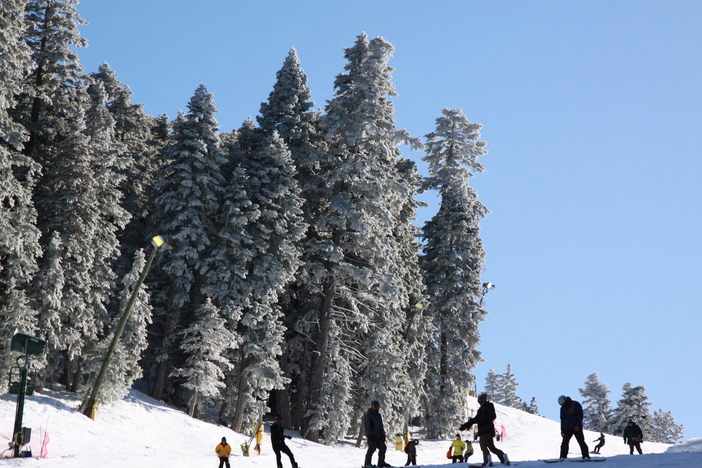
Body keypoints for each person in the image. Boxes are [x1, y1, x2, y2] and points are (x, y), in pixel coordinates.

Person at [460, 393, 510, 466]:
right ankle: (504, 458)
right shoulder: (480, 410)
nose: (479, 403)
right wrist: (466, 425)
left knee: (483, 446)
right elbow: (476, 419)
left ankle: (487, 461)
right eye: (479, 401)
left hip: (486, 431)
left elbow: (493, 416)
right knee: (492, 448)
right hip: (486, 431)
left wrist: (482, 419)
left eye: (480, 401)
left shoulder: (489, 406)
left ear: (483, 400)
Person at [558, 395, 590, 461]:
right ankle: (563, 457)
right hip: (567, 428)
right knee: (564, 442)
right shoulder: (562, 408)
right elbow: (562, 419)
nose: (561, 404)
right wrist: (562, 429)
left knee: (581, 441)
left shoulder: (575, 404)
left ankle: (586, 456)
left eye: (561, 402)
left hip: (576, 427)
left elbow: (580, 415)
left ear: (565, 400)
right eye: (560, 403)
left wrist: (578, 425)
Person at [364, 400, 391, 468]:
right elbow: (367, 426)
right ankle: (367, 464)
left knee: (383, 448)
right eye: (373, 406)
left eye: (376, 406)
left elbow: (380, 426)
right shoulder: (369, 415)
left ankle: (381, 463)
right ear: (371, 406)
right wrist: (369, 435)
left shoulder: (378, 415)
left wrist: (383, 435)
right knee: (371, 449)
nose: (375, 408)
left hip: (379, 437)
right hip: (372, 437)